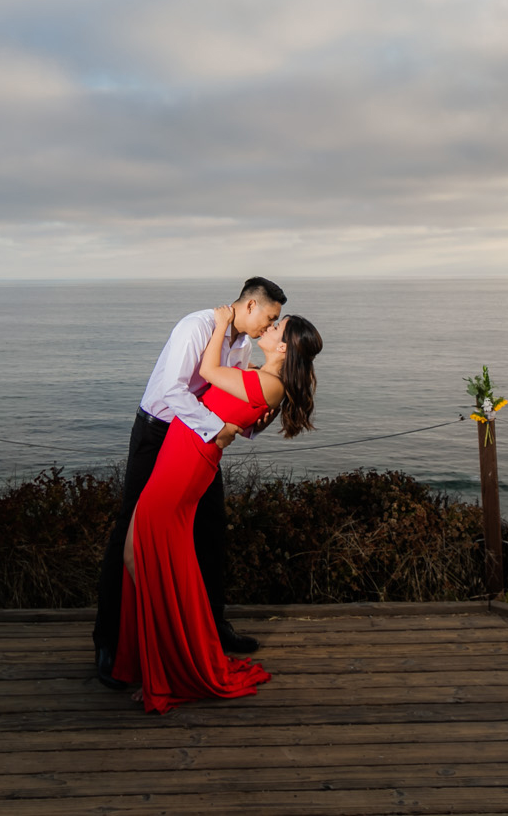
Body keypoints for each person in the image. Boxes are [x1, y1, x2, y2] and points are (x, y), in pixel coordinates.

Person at [111, 301, 322, 712]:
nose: (271, 328)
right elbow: (230, 409)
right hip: (179, 458)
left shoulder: (267, 383)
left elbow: (207, 374)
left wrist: (222, 322)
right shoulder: (261, 378)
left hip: (185, 466)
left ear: (284, 348)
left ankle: (168, 670)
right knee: (138, 557)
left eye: (278, 327)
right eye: (273, 319)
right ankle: (157, 662)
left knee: (145, 560)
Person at [94, 277, 285, 687]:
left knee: (210, 530)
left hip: (196, 440)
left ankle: (211, 629)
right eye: (269, 317)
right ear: (250, 305)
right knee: (129, 529)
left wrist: (251, 425)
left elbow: (225, 396)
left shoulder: (243, 345)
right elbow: (172, 389)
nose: (269, 326)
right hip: (159, 432)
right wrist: (216, 428)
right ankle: (108, 641)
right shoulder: (195, 326)